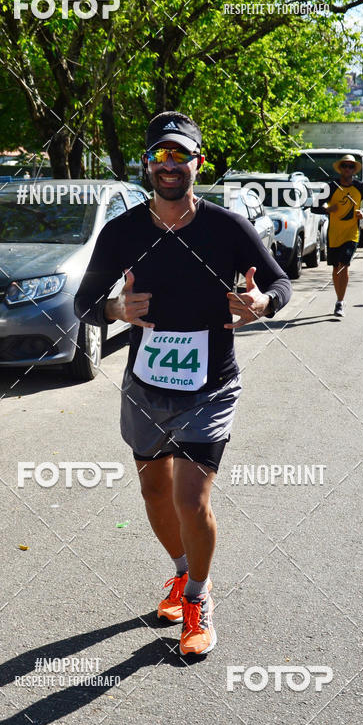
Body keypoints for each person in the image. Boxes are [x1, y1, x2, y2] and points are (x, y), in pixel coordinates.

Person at [74, 111, 291, 656]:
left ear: (198, 161)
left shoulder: (226, 228)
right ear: (147, 163)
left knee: (191, 499)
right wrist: (115, 307)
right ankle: (179, 571)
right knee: (152, 490)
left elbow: (279, 281)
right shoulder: (122, 232)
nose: (169, 164)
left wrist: (264, 301)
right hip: (146, 385)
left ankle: (198, 597)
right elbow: (84, 303)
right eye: (160, 155)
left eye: (180, 155)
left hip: (212, 383)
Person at [312, 153, 363, 317]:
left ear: (354, 170)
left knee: (344, 264)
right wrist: (326, 209)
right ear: (340, 169)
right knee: (336, 268)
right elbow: (314, 207)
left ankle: (340, 302)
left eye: (351, 166)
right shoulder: (331, 187)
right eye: (345, 166)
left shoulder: (360, 187)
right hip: (334, 234)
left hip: (351, 234)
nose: (348, 169)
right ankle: (339, 299)